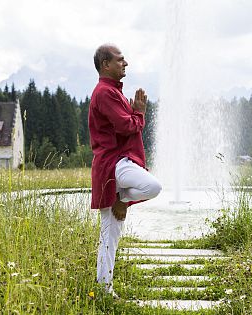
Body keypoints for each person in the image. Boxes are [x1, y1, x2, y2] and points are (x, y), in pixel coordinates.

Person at [89, 44, 162, 296]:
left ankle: (104, 288)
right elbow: (126, 127)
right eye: (120, 60)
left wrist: (134, 113)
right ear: (105, 65)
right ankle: (121, 199)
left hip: (115, 164)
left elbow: (124, 124)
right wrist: (139, 114)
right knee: (153, 186)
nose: (126, 63)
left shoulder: (112, 92)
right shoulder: (105, 93)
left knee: (111, 234)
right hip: (114, 165)